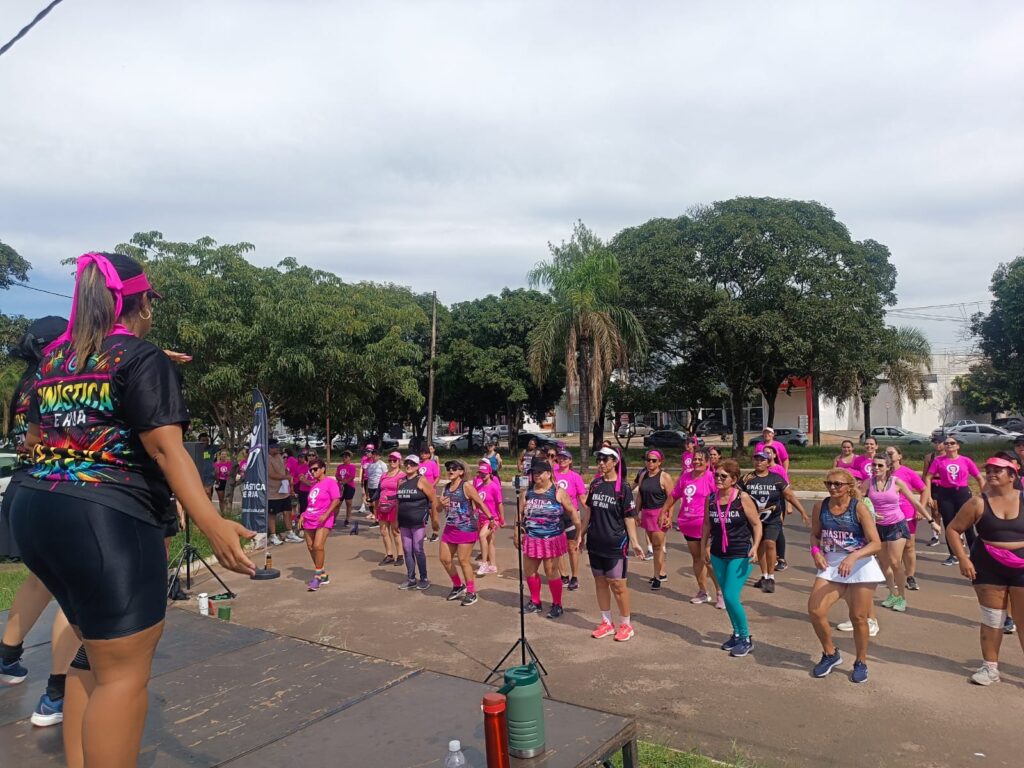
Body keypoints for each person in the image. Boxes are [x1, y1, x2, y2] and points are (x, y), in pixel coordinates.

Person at [10, 252, 255, 768]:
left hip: (35, 509)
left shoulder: (52, 361)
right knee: (123, 677)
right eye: (150, 303)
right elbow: (166, 450)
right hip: (102, 520)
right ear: (139, 303)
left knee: (92, 655)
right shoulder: (141, 358)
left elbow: (38, 434)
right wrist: (212, 522)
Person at [0, 316, 81, 728]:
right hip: (56, 488)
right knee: (73, 590)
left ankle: (7, 656)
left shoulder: (28, 383)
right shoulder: (59, 380)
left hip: (23, 489)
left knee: (41, 580)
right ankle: (57, 694)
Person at [946, 452, 1024, 684]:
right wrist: (963, 558)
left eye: (997, 471)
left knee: (1023, 620)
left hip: (1022, 565)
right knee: (992, 618)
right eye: (988, 470)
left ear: (1012, 475)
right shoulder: (978, 502)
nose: (990, 474)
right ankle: (990, 668)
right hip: (988, 565)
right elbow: (953, 529)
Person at [807, 468, 884, 683]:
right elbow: (814, 535)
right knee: (815, 610)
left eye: (837, 484)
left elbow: (876, 544)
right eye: (828, 483)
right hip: (832, 564)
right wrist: (816, 552)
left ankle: (861, 661)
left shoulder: (858, 508)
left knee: (858, 617)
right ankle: (830, 653)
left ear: (849, 487)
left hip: (860, 564)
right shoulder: (820, 507)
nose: (832, 487)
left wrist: (853, 557)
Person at [579, 447, 644, 641]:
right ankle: (606, 622)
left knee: (617, 585)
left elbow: (629, 517)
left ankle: (626, 625)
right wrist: (581, 535)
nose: (601, 463)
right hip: (595, 542)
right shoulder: (596, 484)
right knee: (600, 582)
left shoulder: (623, 488)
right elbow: (589, 512)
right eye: (599, 459)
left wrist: (635, 542)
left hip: (615, 543)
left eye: (605, 459)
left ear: (615, 462)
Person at [702, 459, 762, 657]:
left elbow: (756, 524)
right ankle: (736, 634)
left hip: (740, 552)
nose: (718, 479)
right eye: (716, 475)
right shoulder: (711, 499)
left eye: (723, 476)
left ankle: (746, 638)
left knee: (730, 595)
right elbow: (707, 526)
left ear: (734, 479)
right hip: (718, 554)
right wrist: (704, 548)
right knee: (727, 597)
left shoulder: (742, 498)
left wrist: (755, 546)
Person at [860, 456, 928, 613]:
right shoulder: (868, 483)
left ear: (888, 467)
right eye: (874, 465)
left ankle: (902, 597)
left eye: (880, 465)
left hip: (897, 524)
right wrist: (871, 513)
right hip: (878, 527)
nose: (876, 468)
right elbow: (858, 500)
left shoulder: (897, 482)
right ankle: (892, 593)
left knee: (895, 562)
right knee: (884, 563)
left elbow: (914, 502)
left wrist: (931, 521)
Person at [516, 459, 580, 619]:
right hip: (532, 538)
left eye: (539, 472)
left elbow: (572, 512)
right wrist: (517, 533)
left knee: (551, 572)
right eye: (534, 473)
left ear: (549, 474)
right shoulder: (527, 493)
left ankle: (557, 604)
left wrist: (579, 532)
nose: (536, 475)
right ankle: (535, 601)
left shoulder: (558, 492)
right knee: (529, 571)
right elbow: (519, 514)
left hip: (552, 539)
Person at [743, 452, 808, 594]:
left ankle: (771, 577)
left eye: (762, 460)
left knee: (770, 543)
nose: (759, 462)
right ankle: (764, 575)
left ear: (768, 462)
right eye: (756, 459)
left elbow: (789, 495)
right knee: (760, 545)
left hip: (773, 518)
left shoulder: (776, 478)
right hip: (755, 520)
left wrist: (802, 511)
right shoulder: (747, 478)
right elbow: (736, 496)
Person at [666, 447, 722, 607]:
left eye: (700, 459)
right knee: (697, 558)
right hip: (688, 524)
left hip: (706, 525)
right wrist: (664, 512)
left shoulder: (711, 477)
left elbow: (720, 498)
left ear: (707, 462)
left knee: (708, 560)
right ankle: (703, 592)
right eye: (695, 459)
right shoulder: (686, 476)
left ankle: (721, 593)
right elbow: (674, 495)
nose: (696, 462)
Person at [438, 460, 494, 606]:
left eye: (454, 468)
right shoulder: (445, 488)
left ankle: (471, 592)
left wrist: (491, 518)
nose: (450, 470)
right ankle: (458, 585)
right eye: (448, 468)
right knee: (444, 559)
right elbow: (438, 509)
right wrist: (440, 504)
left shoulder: (466, 486)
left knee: (463, 560)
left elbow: (480, 503)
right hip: (450, 528)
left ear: (461, 472)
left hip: (466, 528)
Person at [923, 435, 985, 566]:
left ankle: (975, 555)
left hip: (962, 493)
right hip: (945, 494)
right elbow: (928, 477)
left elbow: (979, 477)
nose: (949, 445)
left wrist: (984, 494)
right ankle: (953, 555)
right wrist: (929, 495)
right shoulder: (939, 461)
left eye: (952, 443)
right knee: (949, 525)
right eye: (946, 443)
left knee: (968, 526)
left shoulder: (965, 460)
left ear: (958, 446)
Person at [886, 446, 930, 591]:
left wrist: (920, 509)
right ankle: (894, 576)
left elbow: (924, 489)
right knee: (889, 548)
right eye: (886, 453)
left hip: (907, 515)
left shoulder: (907, 472)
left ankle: (910, 576)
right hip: (887, 516)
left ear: (899, 456)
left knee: (909, 546)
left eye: (891, 453)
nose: (888, 455)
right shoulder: (881, 472)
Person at [395, 455, 439, 590]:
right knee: (407, 549)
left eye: (412, 464)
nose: (409, 466)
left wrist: (435, 519)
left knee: (418, 549)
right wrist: (396, 520)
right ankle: (411, 578)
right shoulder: (401, 481)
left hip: (418, 521)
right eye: (407, 463)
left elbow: (433, 500)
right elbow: (398, 502)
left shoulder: (422, 480)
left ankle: (424, 578)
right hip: (404, 521)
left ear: (417, 466)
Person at [633, 450, 675, 590]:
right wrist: (636, 513)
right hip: (647, 513)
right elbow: (640, 495)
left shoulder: (664, 477)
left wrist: (669, 517)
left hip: (659, 514)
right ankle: (661, 573)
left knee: (657, 546)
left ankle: (657, 576)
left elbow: (671, 499)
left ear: (660, 462)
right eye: (648, 460)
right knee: (654, 545)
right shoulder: (643, 475)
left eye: (654, 460)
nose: (650, 462)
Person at [300, 458, 340, 591]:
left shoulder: (330, 482)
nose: (313, 472)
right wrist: (303, 514)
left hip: (324, 518)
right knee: (311, 547)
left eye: (315, 469)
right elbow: (311, 504)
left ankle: (317, 577)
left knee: (318, 546)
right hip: (309, 518)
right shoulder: (314, 485)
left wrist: (326, 514)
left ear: (323, 469)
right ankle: (322, 574)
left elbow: (336, 500)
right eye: (311, 470)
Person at [553, 448, 587, 590]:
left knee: (572, 547)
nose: (562, 460)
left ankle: (575, 577)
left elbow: (582, 498)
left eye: (565, 458)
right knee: (558, 547)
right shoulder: (552, 474)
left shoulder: (575, 476)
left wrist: (590, 512)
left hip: (571, 515)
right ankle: (563, 575)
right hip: (556, 515)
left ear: (570, 461)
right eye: (560, 458)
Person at [473, 461, 505, 577]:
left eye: (484, 473)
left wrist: (502, 519)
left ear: (490, 473)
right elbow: (477, 501)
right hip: (481, 518)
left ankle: (484, 563)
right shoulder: (479, 487)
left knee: (482, 536)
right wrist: (475, 511)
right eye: (480, 473)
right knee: (490, 541)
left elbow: (500, 504)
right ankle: (493, 565)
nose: (482, 475)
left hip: (492, 519)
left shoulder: (494, 487)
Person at [268, 441, 301, 544]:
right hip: (272, 492)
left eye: (277, 447)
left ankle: (289, 532)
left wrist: (288, 476)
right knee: (272, 514)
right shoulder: (267, 458)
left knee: (287, 511)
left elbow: (285, 469)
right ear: (270, 448)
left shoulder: (279, 456)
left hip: (283, 490)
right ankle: (273, 535)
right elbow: (271, 474)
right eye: (275, 447)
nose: (277, 449)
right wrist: (285, 477)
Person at [921, 436, 946, 547]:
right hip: (933, 484)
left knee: (951, 512)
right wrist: (927, 494)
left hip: (946, 485)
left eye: (940, 442)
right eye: (935, 442)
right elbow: (925, 475)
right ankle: (935, 536)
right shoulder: (929, 457)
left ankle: (958, 536)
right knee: (935, 511)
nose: (937, 445)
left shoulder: (949, 456)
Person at [364, 448, 388, 528]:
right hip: (371, 487)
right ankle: (377, 520)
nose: (374, 456)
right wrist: (366, 490)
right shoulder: (370, 465)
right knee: (373, 504)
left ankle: (382, 519)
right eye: (373, 454)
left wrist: (384, 487)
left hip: (379, 487)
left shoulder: (382, 464)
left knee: (379, 504)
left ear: (379, 456)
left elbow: (386, 476)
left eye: (376, 455)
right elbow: (368, 478)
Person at [334, 450, 358, 528]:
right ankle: (333, 519)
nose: (344, 458)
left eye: (346, 457)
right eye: (343, 457)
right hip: (340, 486)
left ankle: (347, 519)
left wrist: (345, 481)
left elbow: (352, 476)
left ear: (349, 458)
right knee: (338, 503)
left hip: (349, 486)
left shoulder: (352, 466)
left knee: (348, 503)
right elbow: (337, 475)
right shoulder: (339, 466)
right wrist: (341, 480)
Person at [197, 432, 218, 500]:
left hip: (209, 475)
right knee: (200, 495)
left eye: (207, 440)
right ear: (199, 441)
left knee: (208, 492)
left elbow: (224, 446)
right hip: (198, 475)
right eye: (203, 440)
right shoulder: (195, 449)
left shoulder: (211, 448)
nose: (205, 442)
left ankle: (209, 505)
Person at [213, 450, 233, 514]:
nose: (224, 455)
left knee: (227, 499)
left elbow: (232, 473)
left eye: (225, 454)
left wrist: (229, 473)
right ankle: (223, 513)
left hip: (227, 482)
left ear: (227, 456)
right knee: (221, 499)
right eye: (222, 454)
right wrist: (216, 473)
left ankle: (228, 513)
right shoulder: (216, 464)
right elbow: (214, 473)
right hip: (219, 481)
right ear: (220, 456)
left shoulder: (229, 463)